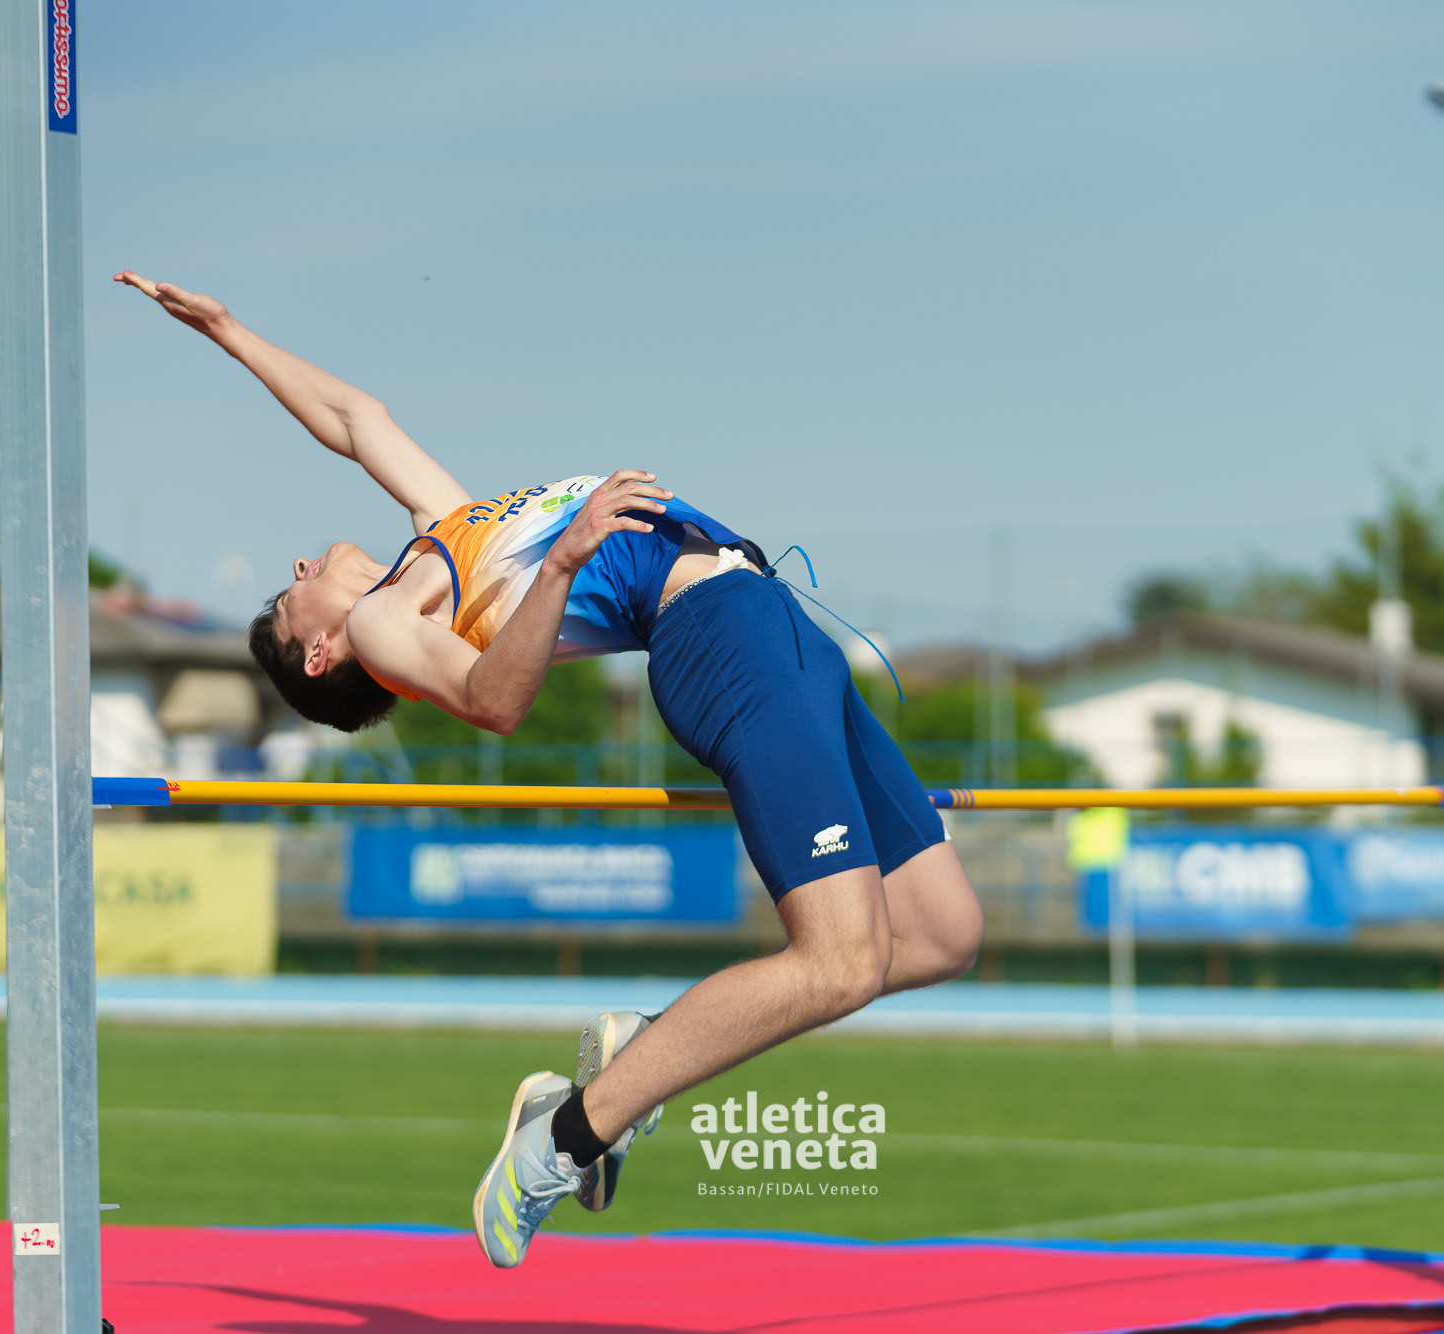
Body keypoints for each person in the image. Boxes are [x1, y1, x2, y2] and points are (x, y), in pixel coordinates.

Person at [115, 271, 984, 1269]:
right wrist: (565, 559)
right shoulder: (388, 620)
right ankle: (562, 1141)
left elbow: (355, 419)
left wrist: (229, 331)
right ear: (319, 653)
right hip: (717, 638)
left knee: (943, 930)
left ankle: (641, 1051)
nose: (302, 567)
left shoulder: (439, 533)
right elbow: (492, 700)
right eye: (288, 593)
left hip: (773, 623)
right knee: (840, 961)